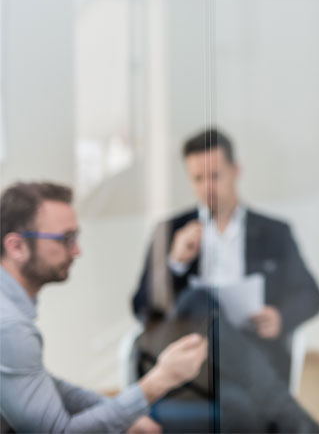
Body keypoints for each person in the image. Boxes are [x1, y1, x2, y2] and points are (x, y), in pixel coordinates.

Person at [131, 127, 319, 432]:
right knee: (199, 301)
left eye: (215, 175)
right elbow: (141, 307)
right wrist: (174, 264)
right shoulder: (169, 232)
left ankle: (286, 416)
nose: (207, 187)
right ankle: (293, 419)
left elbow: (312, 295)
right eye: (197, 178)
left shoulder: (274, 232)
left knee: (238, 409)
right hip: (185, 357)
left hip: (249, 356)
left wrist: (280, 317)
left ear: (236, 171)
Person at [0, 181, 208, 433]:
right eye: (66, 239)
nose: (77, 250)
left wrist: (126, 414)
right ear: (16, 247)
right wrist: (158, 381)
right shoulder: (10, 326)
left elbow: (46, 385)